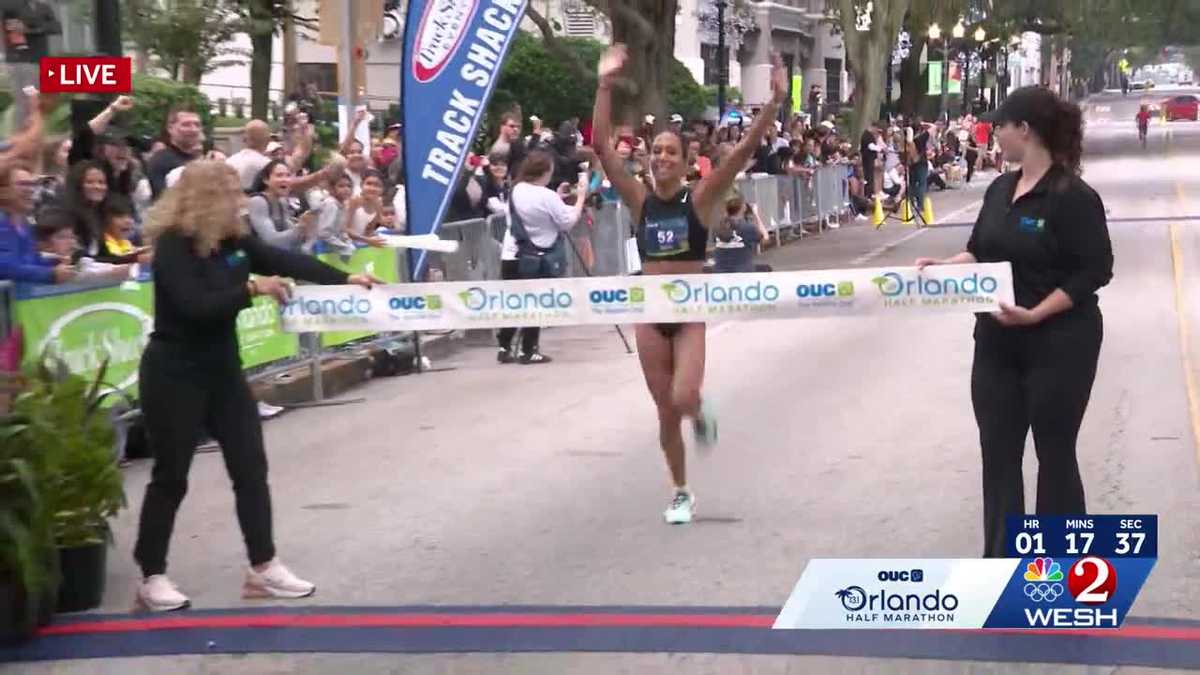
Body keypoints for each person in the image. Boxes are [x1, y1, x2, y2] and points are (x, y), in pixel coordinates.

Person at [131, 160, 380, 611]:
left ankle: (262, 568)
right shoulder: (173, 246)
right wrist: (250, 290)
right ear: (206, 197)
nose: (240, 200)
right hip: (173, 372)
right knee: (171, 477)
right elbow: (194, 306)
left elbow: (284, 260)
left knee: (250, 467)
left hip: (223, 370)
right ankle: (151, 576)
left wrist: (346, 278)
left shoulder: (235, 240)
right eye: (231, 191)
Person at [913, 86, 1113, 558]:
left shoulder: (1073, 196)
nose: (995, 134)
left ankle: (1060, 569)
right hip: (998, 341)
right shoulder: (1001, 189)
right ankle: (1001, 564)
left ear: (1025, 130)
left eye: (1001, 126)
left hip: (1060, 341)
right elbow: (980, 248)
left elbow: (1095, 270)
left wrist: (1037, 312)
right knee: (998, 454)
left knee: (1054, 452)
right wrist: (945, 266)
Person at [591, 44, 787, 524]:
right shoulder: (639, 200)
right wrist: (604, 85)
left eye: (669, 152)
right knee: (663, 413)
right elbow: (599, 147)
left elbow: (741, 153)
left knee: (682, 399)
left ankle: (700, 413)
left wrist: (774, 104)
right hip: (650, 319)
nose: (660, 158)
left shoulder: (698, 201)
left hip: (689, 317)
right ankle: (680, 491)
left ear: (684, 161)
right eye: (655, 151)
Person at [496, 149, 588, 364]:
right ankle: (529, 349)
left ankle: (504, 346)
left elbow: (537, 209)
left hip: (511, 253)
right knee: (535, 302)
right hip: (536, 256)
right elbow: (566, 221)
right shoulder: (545, 196)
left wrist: (557, 196)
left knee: (513, 303)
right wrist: (580, 197)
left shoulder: (516, 190)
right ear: (545, 172)